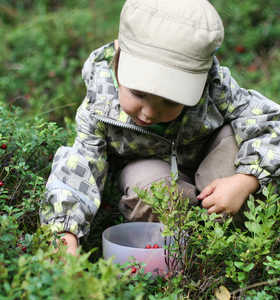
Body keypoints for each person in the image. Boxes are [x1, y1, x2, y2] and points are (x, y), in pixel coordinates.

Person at [40, 0, 280, 256]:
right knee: (150, 191)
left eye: (170, 101)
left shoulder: (215, 86)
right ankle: (192, 243)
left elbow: (270, 121)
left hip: (213, 168)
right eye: (139, 93)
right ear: (118, 59)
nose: (150, 112)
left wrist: (246, 180)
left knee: (240, 140)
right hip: (152, 172)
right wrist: (65, 229)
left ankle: (234, 237)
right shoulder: (101, 104)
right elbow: (81, 165)